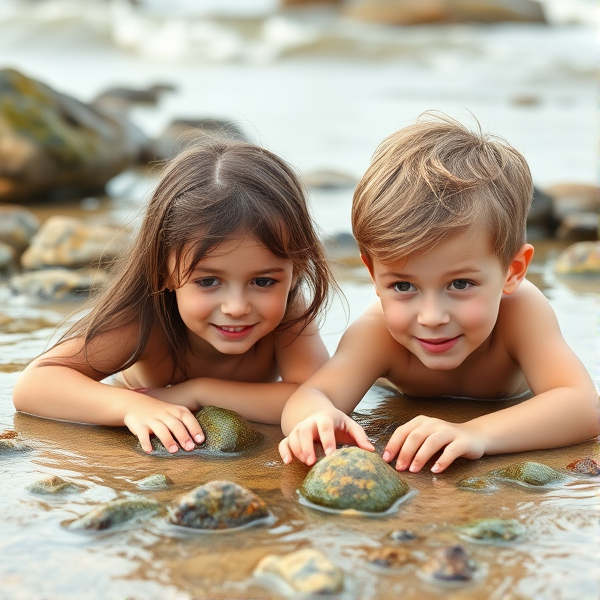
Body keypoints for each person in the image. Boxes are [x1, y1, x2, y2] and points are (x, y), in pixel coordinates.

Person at [279, 112, 600, 474]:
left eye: (460, 284)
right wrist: (316, 419)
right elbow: (309, 395)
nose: (431, 316)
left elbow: (582, 407)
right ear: (373, 273)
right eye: (403, 286)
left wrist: (476, 433)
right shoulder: (378, 333)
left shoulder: (521, 312)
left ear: (513, 271)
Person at [13, 139, 336, 455]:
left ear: (296, 268)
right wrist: (131, 406)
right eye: (208, 281)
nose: (236, 307)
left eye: (263, 281)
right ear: (163, 270)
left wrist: (198, 392)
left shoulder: (290, 311)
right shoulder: (143, 319)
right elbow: (34, 386)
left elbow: (321, 394)